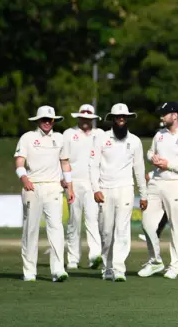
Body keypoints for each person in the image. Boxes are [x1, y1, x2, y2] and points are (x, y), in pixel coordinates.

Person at [138, 102, 178, 279]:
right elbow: (149, 153)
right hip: (156, 183)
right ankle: (155, 260)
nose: (161, 117)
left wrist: (169, 165)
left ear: (175, 115)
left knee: (176, 226)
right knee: (147, 223)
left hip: (176, 184)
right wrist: (153, 158)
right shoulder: (160, 135)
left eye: (164, 114)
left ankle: (174, 266)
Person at [14, 105, 75, 282]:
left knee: (56, 228)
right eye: (44, 120)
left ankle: (57, 270)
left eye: (50, 120)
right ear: (38, 120)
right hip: (32, 187)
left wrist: (69, 187)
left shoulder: (59, 138)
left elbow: (65, 163)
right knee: (30, 230)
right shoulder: (28, 138)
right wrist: (23, 178)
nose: (47, 122)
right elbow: (19, 162)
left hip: (54, 188)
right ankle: (29, 271)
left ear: (54, 121)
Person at [90, 103, 147, 281]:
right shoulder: (101, 138)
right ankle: (107, 266)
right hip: (105, 189)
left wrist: (143, 195)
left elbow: (139, 169)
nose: (121, 119)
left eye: (124, 117)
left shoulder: (135, 141)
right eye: (118, 117)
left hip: (126, 189)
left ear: (127, 119)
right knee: (106, 231)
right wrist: (96, 189)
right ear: (113, 119)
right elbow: (93, 165)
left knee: (122, 229)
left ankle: (119, 269)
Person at [61, 104, 104, 270]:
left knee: (92, 219)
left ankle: (95, 255)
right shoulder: (69, 134)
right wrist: (62, 179)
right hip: (73, 182)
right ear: (78, 117)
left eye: (89, 118)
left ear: (93, 118)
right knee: (74, 220)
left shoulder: (100, 134)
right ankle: (73, 258)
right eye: (83, 117)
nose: (86, 120)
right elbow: (62, 159)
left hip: (94, 183)